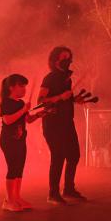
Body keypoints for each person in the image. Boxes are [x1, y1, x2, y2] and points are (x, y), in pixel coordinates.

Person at [38, 47, 86, 205]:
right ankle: (53, 194)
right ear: (55, 59)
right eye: (64, 57)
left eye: (69, 57)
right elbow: (41, 101)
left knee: (74, 155)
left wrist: (74, 100)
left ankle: (69, 189)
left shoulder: (67, 79)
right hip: (52, 123)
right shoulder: (49, 78)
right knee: (58, 156)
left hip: (67, 122)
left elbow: (66, 99)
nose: (68, 60)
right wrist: (60, 97)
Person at [0, 74, 45, 211]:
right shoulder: (6, 102)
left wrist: (39, 114)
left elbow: (28, 120)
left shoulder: (20, 103)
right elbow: (7, 120)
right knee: (13, 168)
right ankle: (8, 200)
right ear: (11, 87)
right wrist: (24, 110)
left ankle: (17, 197)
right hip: (8, 140)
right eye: (21, 86)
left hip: (20, 139)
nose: (24, 89)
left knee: (19, 169)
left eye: (25, 86)